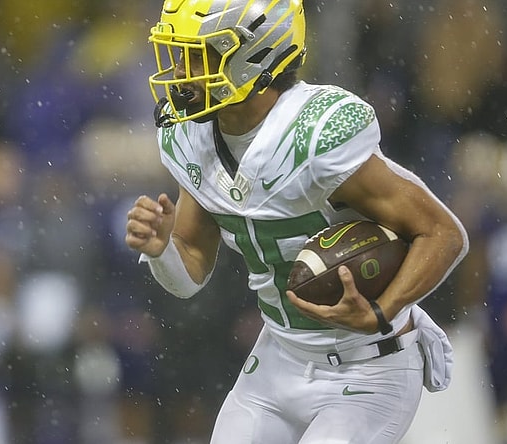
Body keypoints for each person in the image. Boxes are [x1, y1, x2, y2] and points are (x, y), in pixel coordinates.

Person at [124, 1, 469, 443]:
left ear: (256, 55)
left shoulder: (314, 133)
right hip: (279, 357)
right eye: (180, 54)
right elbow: (189, 269)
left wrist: (382, 311)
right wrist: (162, 250)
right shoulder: (193, 133)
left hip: (369, 367)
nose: (182, 72)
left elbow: (442, 234)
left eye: (199, 54)